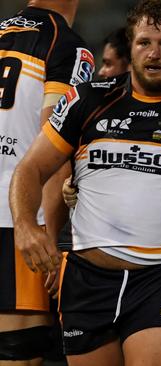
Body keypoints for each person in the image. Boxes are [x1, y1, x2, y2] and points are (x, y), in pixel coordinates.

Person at [9, 1, 161, 365]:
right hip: (87, 281)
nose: (154, 53)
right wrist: (25, 225)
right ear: (131, 44)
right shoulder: (87, 101)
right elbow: (30, 169)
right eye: (144, 42)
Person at [0, 0, 94, 363]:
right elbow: (53, 147)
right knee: (18, 354)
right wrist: (53, 239)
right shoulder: (65, 46)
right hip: (19, 224)